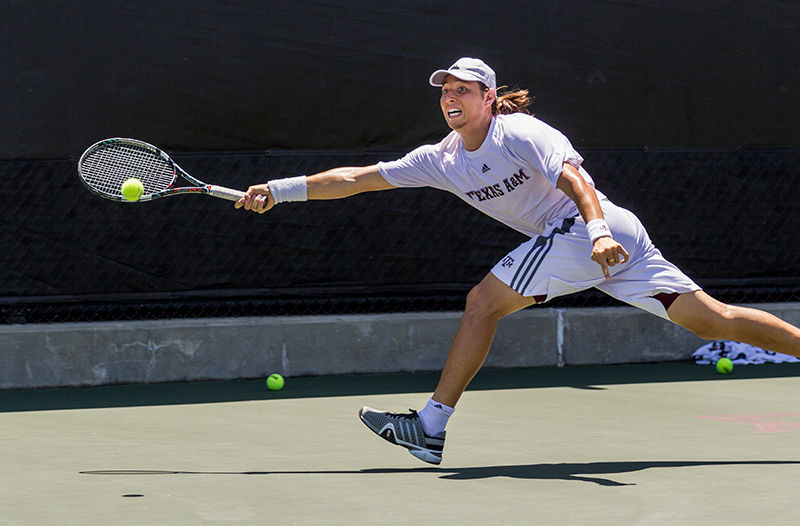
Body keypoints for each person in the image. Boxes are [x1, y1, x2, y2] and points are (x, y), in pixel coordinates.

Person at [235, 57, 800, 465]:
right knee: (713, 320)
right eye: (444, 91)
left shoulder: (519, 133)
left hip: (593, 229)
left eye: (464, 89)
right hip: (593, 240)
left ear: (489, 96)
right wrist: (280, 189)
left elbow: (575, 178)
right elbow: (357, 179)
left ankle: (429, 428)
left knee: (482, 304)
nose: (451, 98)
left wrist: (598, 231)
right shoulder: (441, 159)